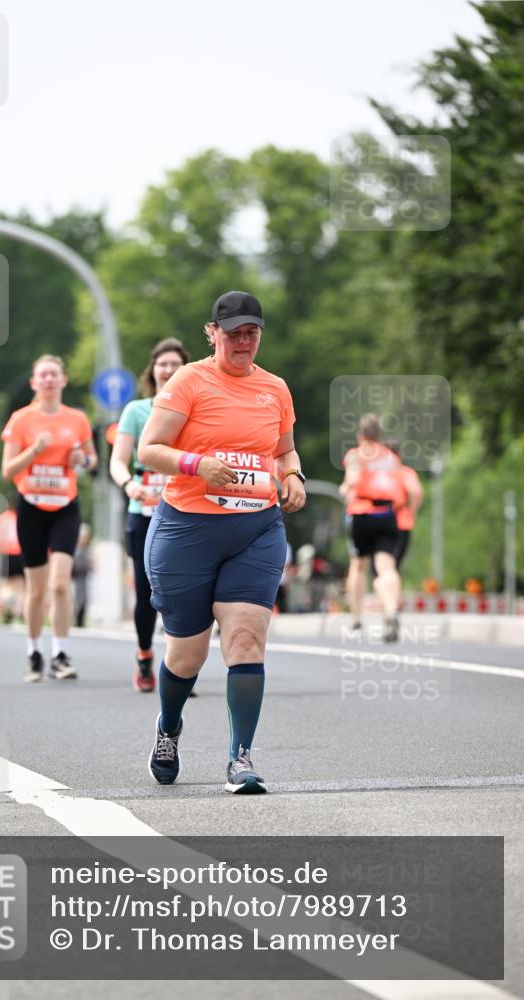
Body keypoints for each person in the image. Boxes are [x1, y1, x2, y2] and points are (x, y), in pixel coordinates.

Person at [138, 291, 306, 794]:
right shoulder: (189, 380)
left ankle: (241, 759)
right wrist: (197, 464)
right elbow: (149, 449)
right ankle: (169, 726)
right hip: (187, 530)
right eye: (233, 332)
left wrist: (294, 475)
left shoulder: (275, 388)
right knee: (186, 656)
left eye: (251, 331)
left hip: (256, 529)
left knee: (246, 639)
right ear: (212, 334)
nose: (243, 340)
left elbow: (285, 449)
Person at [1, 354, 97, 682]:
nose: (48, 380)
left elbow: (91, 460)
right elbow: (8, 470)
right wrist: (34, 452)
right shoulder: (21, 419)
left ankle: (60, 652)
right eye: (42, 375)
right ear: (34, 382)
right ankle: (33, 651)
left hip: (65, 507)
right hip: (31, 507)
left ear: (63, 380)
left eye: (54, 374)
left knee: (59, 584)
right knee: (36, 588)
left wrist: (79, 459)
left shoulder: (77, 420)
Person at [109, 337, 190, 691]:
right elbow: (117, 461)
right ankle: (144, 655)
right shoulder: (136, 411)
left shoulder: (194, 411)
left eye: (175, 364)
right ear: (152, 370)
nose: (169, 370)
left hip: (185, 511)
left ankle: (179, 665)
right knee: (147, 592)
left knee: (184, 591)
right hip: (143, 511)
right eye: (163, 364)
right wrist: (129, 484)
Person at [339, 414, 406, 642]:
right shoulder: (390, 457)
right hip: (388, 514)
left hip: (363, 513)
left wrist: (344, 489)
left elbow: (353, 481)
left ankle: (357, 619)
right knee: (386, 566)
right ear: (379, 435)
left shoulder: (356, 455)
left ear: (360, 435)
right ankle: (391, 611)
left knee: (358, 565)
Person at [385, 440, 424, 571]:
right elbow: (417, 492)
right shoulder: (405, 472)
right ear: (399, 454)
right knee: (395, 563)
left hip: (380, 517)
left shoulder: (378, 473)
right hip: (401, 520)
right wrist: (412, 511)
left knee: (382, 563)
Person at [0, 505, 25, 623]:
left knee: (5, 584)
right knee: (21, 586)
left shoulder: (1, 519)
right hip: (20, 553)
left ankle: (2, 605)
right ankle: (18, 610)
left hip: (6, 553)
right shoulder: (20, 517)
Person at [72, 523, 93, 627]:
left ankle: (81, 623)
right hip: (76, 580)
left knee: (83, 601)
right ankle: (76, 622)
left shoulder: (87, 550)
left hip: (84, 580)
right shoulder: (75, 551)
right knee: (77, 601)